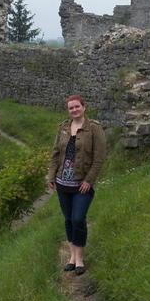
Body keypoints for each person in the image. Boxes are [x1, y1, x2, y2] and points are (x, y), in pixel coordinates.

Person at [46, 95, 107, 276]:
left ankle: (80, 258)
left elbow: (99, 158)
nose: (74, 110)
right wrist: (51, 176)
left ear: (84, 107)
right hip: (62, 183)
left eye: (77, 107)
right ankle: (72, 257)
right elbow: (55, 154)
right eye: (71, 108)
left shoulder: (94, 129)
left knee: (78, 218)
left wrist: (89, 180)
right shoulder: (63, 128)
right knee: (68, 219)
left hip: (82, 184)